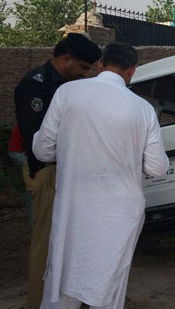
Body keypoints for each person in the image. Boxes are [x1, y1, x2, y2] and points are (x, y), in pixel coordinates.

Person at [32, 43, 169, 309]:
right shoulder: (142, 109)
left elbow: (42, 150)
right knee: (108, 290)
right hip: (119, 214)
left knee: (62, 284)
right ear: (132, 71)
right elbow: (157, 168)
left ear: (100, 64)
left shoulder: (67, 93)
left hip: (74, 209)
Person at [13, 33, 101, 309]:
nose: (85, 74)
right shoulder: (34, 85)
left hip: (75, 172)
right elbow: (37, 139)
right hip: (48, 172)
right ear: (66, 59)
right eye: (83, 68)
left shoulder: (74, 86)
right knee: (47, 243)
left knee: (76, 241)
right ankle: (38, 302)